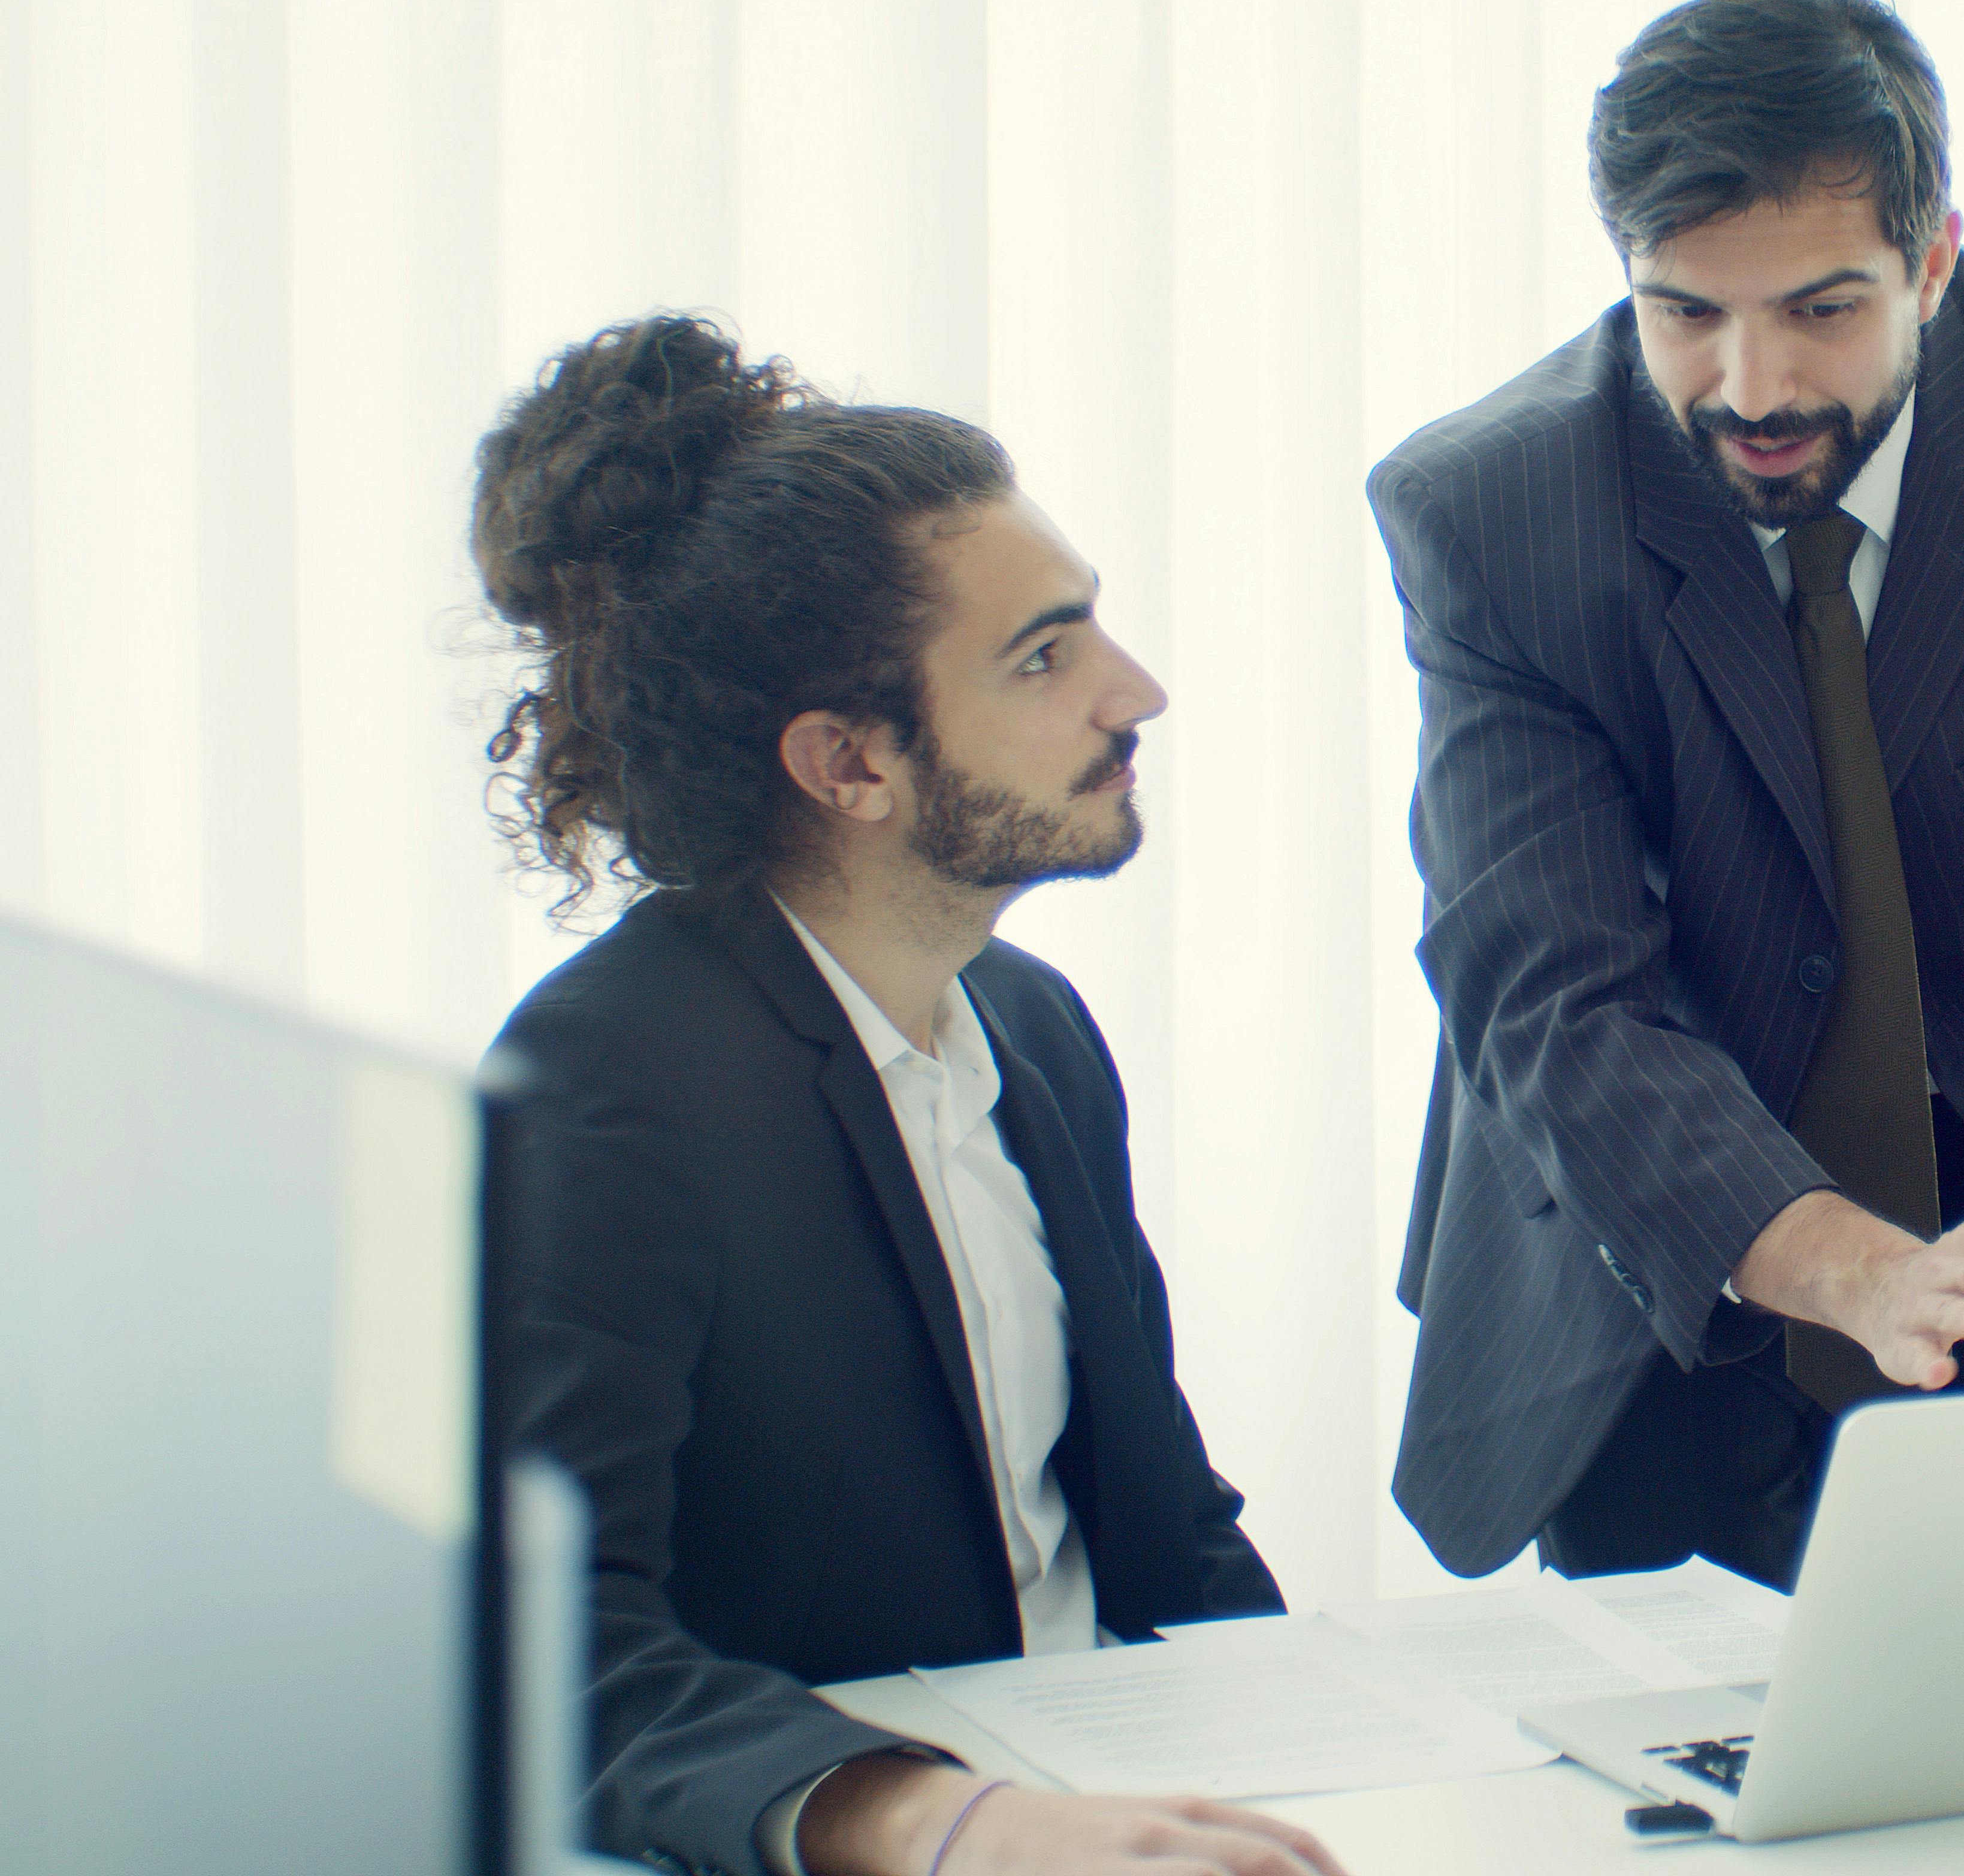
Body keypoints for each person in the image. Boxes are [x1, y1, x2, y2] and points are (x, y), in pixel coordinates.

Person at [1370, 0, 1964, 1587]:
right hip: (1646, 1253)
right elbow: (1551, 992)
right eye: (1688, 313)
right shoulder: (1492, 509)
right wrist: (1846, 1272)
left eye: (1824, 310)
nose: (1755, 387)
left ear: (1934, 258)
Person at [475, 317, 1347, 1876]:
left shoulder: (1036, 1033)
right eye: (1046, 655)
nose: (1134, 692)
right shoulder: (604, 1087)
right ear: (851, 767)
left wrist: (1329, 1780)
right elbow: (543, 1649)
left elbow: (1165, 1527)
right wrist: (936, 1822)